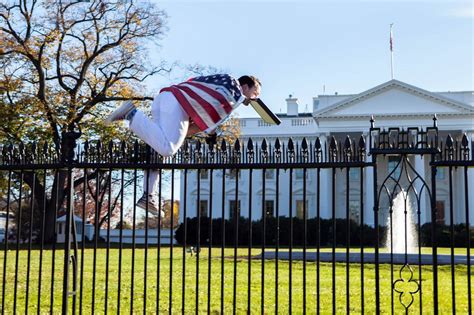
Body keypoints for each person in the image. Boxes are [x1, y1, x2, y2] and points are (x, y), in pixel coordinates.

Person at [105, 74, 261, 216]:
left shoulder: (218, 86)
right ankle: (131, 113)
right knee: (168, 148)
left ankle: (148, 195)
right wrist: (212, 132)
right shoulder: (232, 89)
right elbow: (212, 120)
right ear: (245, 87)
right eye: (255, 94)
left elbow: (195, 127)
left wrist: (202, 132)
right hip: (176, 103)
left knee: (159, 147)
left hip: (165, 98)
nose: (255, 99)